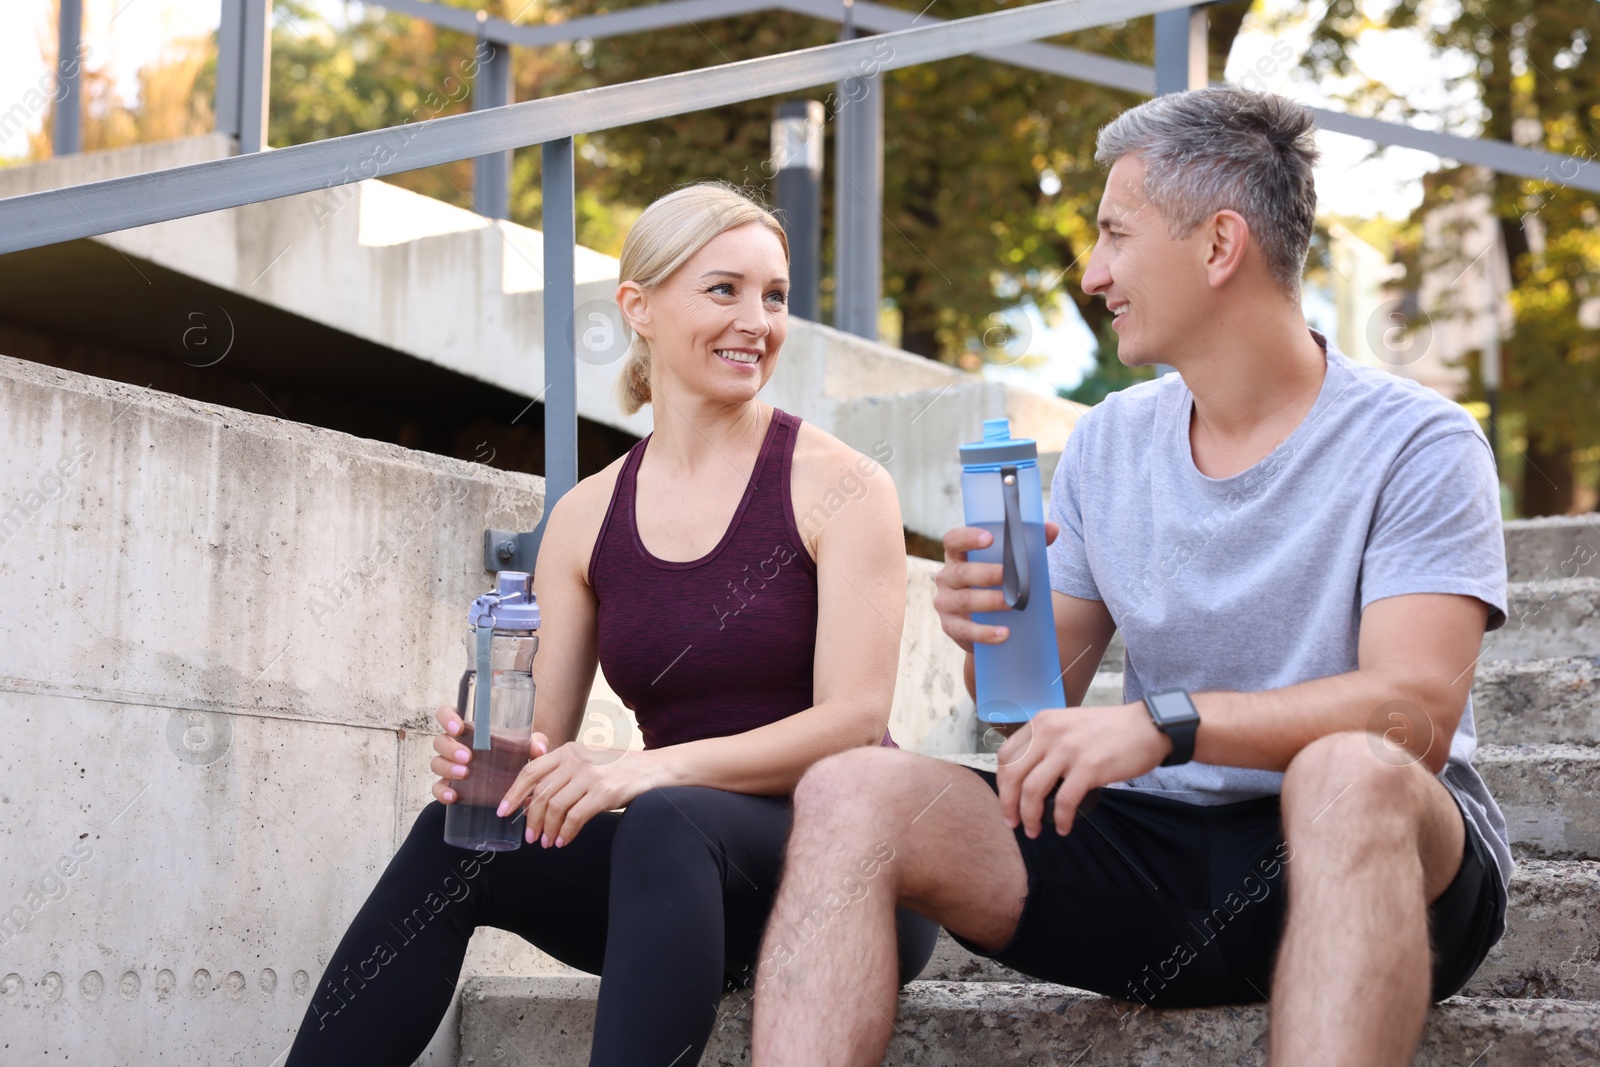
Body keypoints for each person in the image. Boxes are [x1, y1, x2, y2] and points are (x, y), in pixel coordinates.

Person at [751, 87, 1510, 1067]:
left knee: (1346, 768)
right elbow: (1031, 709)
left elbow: (1414, 716)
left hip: (1379, 859)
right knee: (853, 786)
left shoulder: (1420, 442)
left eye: (1115, 234)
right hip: (1156, 861)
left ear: (1217, 245)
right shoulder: (1111, 438)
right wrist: (988, 633)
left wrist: (1163, 722)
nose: (1095, 272)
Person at [285, 182, 938, 1067]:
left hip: (851, 871)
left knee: (670, 816)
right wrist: (489, 759)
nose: (758, 320)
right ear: (638, 306)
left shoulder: (841, 485)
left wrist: (643, 769)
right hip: (679, 884)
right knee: (460, 834)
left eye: (775, 295)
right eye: (724, 289)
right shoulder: (588, 516)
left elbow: (854, 722)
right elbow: (538, 740)